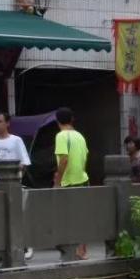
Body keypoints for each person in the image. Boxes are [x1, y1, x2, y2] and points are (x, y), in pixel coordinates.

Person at [0, 113, 32, 263]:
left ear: (7, 123)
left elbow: (24, 163)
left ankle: (25, 247)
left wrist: (16, 179)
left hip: (12, 183)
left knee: (15, 216)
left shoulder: (16, 140)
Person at [53, 107, 91, 260]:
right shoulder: (80, 136)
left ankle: (71, 250)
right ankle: (82, 250)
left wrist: (58, 181)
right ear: (72, 119)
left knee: (67, 217)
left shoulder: (61, 136)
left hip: (69, 182)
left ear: (57, 121)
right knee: (82, 216)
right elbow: (85, 156)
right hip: (83, 179)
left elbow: (64, 159)